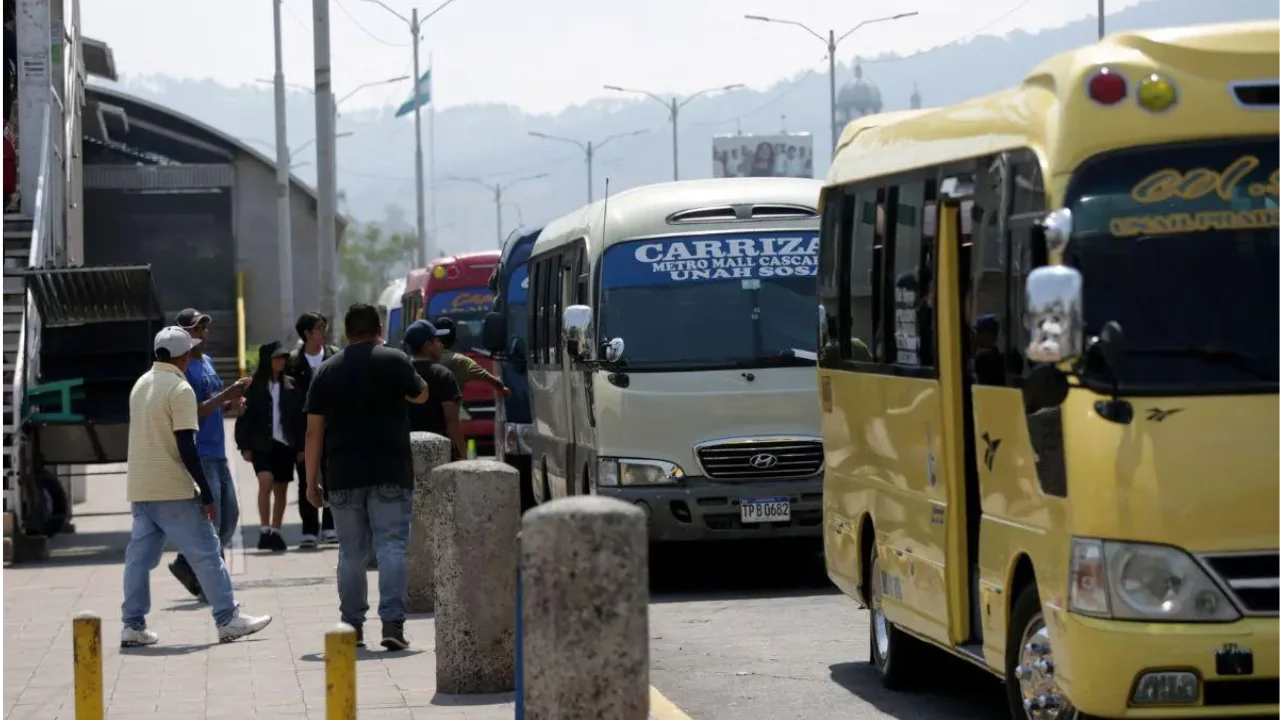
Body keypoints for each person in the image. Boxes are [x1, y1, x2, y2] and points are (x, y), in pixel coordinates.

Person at [121, 326, 272, 647]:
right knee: (207, 554)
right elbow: (186, 445)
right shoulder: (180, 389)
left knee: (138, 560)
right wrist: (205, 491)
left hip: (142, 488)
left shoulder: (141, 384)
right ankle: (228, 618)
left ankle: (132, 624)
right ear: (184, 356)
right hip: (174, 488)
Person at [303, 303, 429, 650]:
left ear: (346, 332)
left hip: (342, 474)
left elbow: (313, 433)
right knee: (392, 546)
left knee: (351, 552)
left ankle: (352, 625)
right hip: (391, 470)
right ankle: (392, 624)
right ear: (378, 330)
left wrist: (311, 480)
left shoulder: (327, 371)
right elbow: (421, 394)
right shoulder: (394, 360)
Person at [168, 308, 249, 601]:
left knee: (230, 517)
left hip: (218, 450)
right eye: (195, 329)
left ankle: (188, 564)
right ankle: (213, 584)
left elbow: (212, 405)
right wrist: (226, 396)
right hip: (200, 451)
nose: (202, 333)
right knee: (212, 520)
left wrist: (231, 406)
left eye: (203, 328)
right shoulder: (183, 369)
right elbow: (191, 411)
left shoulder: (209, 362)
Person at [234, 341, 299, 552]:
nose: (282, 362)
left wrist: (300, 447)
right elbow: (245, 417)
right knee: (265, 482)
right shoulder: (254, 386)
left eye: (284, 358)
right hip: (262, 444)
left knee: (281, 489)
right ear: (267, 360)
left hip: (285, 445)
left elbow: (300, 417)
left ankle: (276, 531)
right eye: (277, 358)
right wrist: (244, 444)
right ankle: (263, 530)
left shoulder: (291, 384)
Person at [286, 311, 339, 548]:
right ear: (308, 333)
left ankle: (330, 526)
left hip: (333, 430)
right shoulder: (293, 363)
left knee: (331, 477)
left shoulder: (335, 357)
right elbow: (287, 406)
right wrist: (295, 441)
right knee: (306, 478)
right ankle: (309, 529)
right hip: (304, 431)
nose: (324, 332)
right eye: (320, 328)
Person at [403, 320, 467, 459]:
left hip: (404, 456)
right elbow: (452, 422)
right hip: (436, 454)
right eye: (437, 341)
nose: (441, 345)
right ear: (427, 345)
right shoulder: (442, 375)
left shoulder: (398, 374)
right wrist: (463, 457)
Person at [433, 316, 511, 401]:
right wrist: (503, 389)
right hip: (448, 411)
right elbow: (488, 377)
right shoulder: (460, 361)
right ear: (453, 339)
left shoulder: (423, 358)